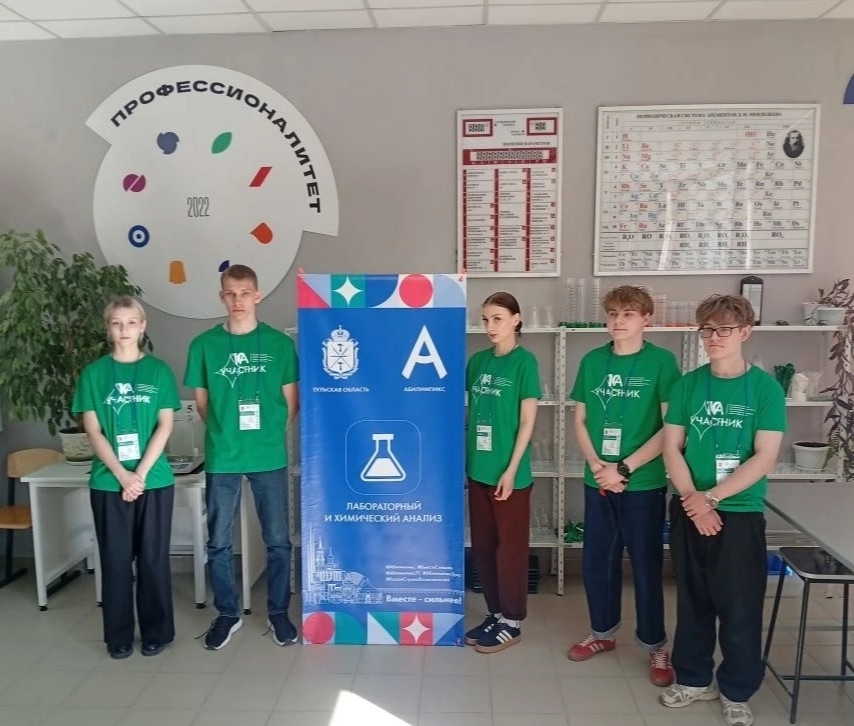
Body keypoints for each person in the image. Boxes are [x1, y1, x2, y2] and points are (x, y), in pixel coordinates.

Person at [661, 294, 785, 726]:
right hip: (689, 506)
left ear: (745, 332)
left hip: (740, 511)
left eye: (724, 329)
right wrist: (695, 501)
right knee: (693, 599)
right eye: (707, 330)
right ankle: (694, 679)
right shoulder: (687, 385)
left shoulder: (766, 389)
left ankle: (736, 689)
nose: (714, 338)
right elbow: (672, 447)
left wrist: (712, 498)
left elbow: (764, 456)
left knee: (739, 605)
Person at [567, 285, 681, 686]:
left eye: (628, 314)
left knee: (646, 566)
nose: (618, 321)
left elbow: (670, 428)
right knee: (597, 561)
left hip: (642, 482)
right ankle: (602, 632)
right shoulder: (592, 361)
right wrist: (597, 465)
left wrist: (625, 468)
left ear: (646, 319)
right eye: (613, 313)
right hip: (599, 479)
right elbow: (580, 420)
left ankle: (655, 644)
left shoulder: (662, 362)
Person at [185, 264, 299, 650]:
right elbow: (202, 404)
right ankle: (228, 614)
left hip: (268, 456)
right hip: (224, 456)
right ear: (222, 297)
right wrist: (227, 434)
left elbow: (291, 403)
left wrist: (265, 436)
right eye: (231, 294)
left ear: (257, 295)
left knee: (278, 540)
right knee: (218, 541)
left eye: (245, 292)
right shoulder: (203, 345)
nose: (238, 300)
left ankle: (278, 612)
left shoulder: (279, 345)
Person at [73, 296, 180, 659]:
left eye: (131, 322)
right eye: (117, 323)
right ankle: (118, 636)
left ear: (142, 326)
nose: (124, 330)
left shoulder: (159, 372)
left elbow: (165, 425)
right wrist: (122, 474)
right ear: (108, 328)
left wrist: (140, 474)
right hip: (108, 482)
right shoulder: (93, 375)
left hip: (154, 481)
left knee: (152, 560)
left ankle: (156, 632)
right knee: (116, 562)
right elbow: (93, 430)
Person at [464, 291, 541, 654]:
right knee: (483, 547)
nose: (490, 326)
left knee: (510, 550)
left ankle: (512, 621)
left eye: (498, 318)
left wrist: (511, 469)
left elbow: (527, 422)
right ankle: (494, 613)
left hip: (510, 475)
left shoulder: (525, 362)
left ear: (516, 319)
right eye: (486, 319)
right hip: (478, 469)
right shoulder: (477, 362)